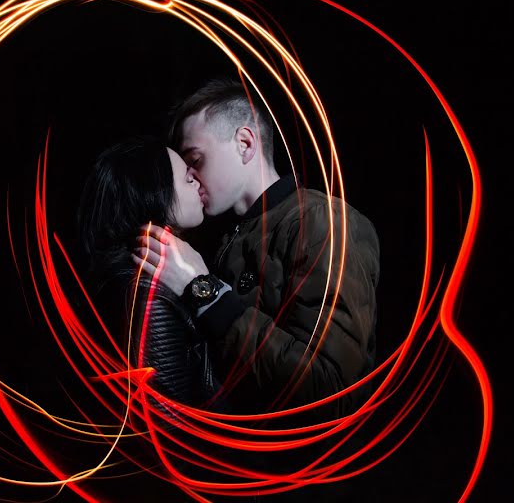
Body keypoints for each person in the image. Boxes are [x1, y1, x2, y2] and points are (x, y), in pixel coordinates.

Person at [133, 78, 380, 498]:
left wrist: (203, 289)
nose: (190, 177)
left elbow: (331, 393)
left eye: (196, 159)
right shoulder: (231, 237)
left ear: (246, 144)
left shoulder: (322, 223)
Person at [76, 135, 225, 413]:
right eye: (183, 176)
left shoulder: (143, 278)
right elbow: (168, 429)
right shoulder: (148, 294)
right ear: (152, 192)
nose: (196, 178)